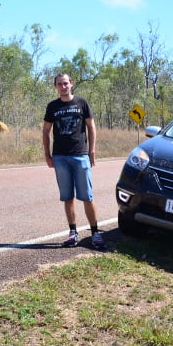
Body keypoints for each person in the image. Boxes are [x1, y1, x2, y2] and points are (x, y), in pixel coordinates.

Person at [42, 73, 105, 249]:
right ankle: (73, 232)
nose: (63, 87)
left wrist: (92, 150)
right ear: (56, 87)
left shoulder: (81, 103)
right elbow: (46, 131)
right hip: (60, 157)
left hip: (80, 155)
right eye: (59, 84)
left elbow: (91, 126)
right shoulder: (52, 106)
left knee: (87, 196)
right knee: (67, 197)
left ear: (71, 84)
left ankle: (95, 233)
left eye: (65, 83)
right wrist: (47, 154)